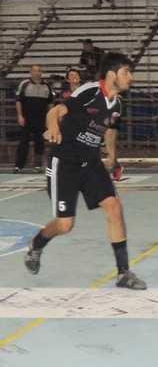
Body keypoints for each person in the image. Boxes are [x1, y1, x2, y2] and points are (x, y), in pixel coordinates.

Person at [26, 53, 146, 289]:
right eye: (126, 72)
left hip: (91, 162)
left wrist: (112, 157)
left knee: (114, 207)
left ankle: (123, 273)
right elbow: (55, 112)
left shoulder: (118, 104)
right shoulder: (89, 91)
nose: (131, 77)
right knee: (65, 225)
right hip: (65, 162)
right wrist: (53, 128)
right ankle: (36, 245)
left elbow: (110, 130)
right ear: (111, 74)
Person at [14, 65, 53, 174]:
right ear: (30, 72)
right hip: (26, 119)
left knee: (39, 143)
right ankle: (18, 166)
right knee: (23, 142)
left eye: (39, 70)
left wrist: (49, 119)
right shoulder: (24, 84)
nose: (37, 73)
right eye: (35, 71)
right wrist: (20, 115)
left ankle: (38, 166)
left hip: (41, 119)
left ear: (41, 72)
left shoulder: (47, 86)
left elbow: (50, 103)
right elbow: (18, 101)